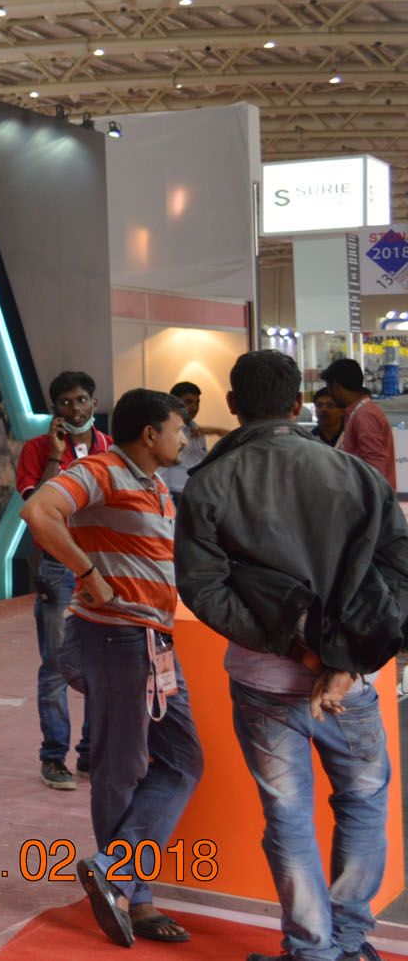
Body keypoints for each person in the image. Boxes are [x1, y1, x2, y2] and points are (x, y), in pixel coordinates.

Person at [176, 350, 408, 961]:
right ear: (298, 404)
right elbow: (400, 570)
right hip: (350, 684)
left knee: (288, 817)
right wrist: (343, 658)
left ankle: (313, 949)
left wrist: (291, 644)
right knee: (363, 803)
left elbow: (203, 589)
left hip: (262, 683)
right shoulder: (355, 475)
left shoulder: (209, 483)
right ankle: (350, 941)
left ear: (233, 405)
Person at [20, 387, 199, 948]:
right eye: (178, 429)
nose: (184, 439)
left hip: (152, 641)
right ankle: (131, 896)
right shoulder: (101, 470)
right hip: (118, 638)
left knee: (181, 761)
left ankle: (116, 873)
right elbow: (38, 511)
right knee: (122, 769)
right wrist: (88, 573)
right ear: (150, 434)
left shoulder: (155, 485)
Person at [17, 369, 110, 791]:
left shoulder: (110, 449)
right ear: (54, 409)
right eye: (66, 403)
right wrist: (56, 456)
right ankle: (54, 756)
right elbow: (39, 507)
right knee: (56, 665)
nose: (75, 409)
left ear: (94, 402)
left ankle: (91, 751)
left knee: (98, 664)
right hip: (58, 567)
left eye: (81, 400)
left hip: (101, 566)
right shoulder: (37, 450)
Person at [324, 358, 398, 494]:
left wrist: (371, 501)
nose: (330, 395)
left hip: (369, 499)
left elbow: (375, 464)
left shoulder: (364, 415)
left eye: (329, 388)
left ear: (336, 386)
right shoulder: (358, 412)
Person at [156, 380, 229, 495]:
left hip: (198, 491)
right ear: (174, 403)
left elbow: (200, 461)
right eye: (189, 402)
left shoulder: (196, 429)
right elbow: (161, 470)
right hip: (178, 493)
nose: (194, 407)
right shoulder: (166, 429)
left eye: (197, 402)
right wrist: (167, 500)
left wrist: (216, 431)